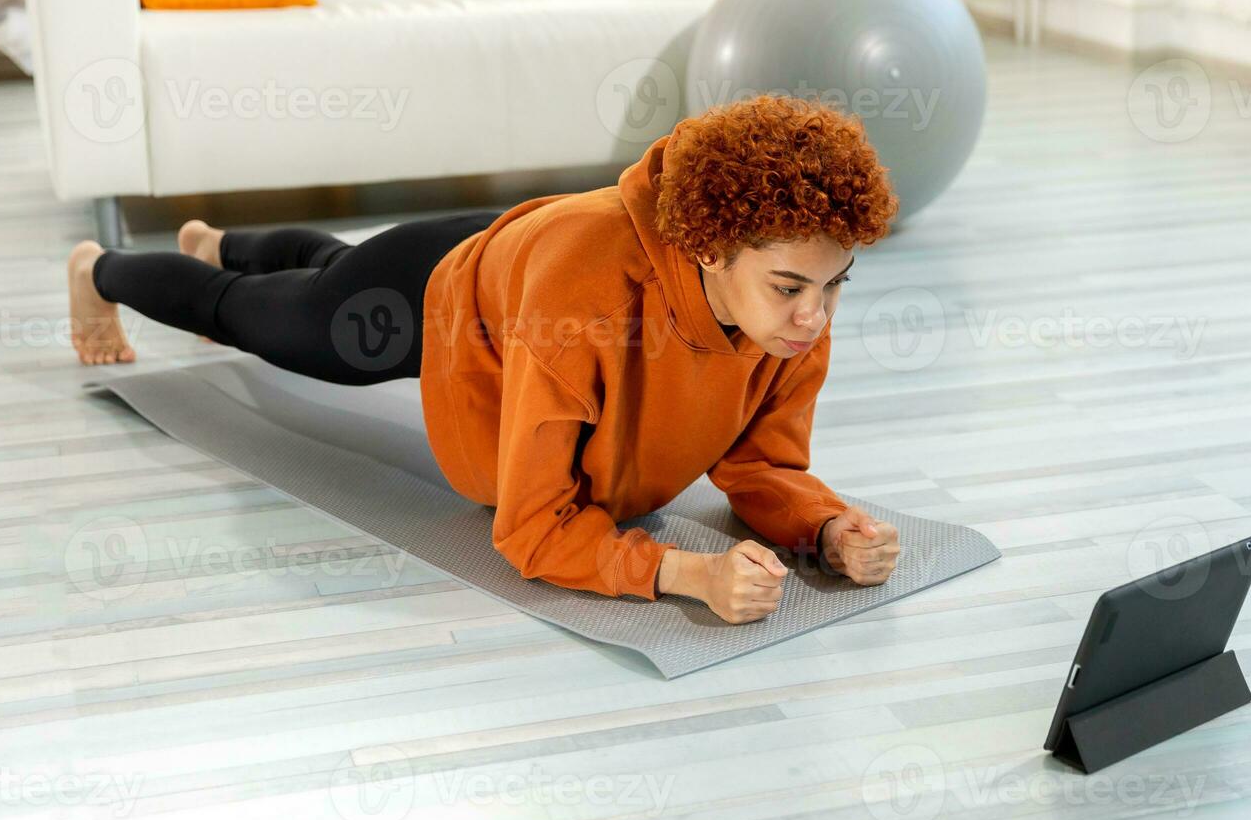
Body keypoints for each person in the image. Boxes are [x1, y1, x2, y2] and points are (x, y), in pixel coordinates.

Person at [65, 94, 902, 623]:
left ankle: (219, 242)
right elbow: (531, 527)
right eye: (791, 286)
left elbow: (763, 462)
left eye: (834, 286)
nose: (813, 316)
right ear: (711, 249)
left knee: (328, 273)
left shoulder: (792, 311)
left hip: (514, 264)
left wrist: (826, 530)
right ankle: (98, 269)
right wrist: (685, 574)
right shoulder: (589, 306)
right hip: (431, 301)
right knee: (258, 322)